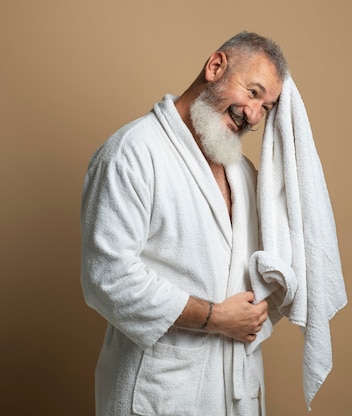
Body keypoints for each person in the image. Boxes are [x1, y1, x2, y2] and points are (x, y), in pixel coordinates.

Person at [81, 31, 289, 416]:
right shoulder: (132, 153)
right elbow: (107, 278)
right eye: (253, 92)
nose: (255, 115)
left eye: (268, 106)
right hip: (160, 389)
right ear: (215, 67)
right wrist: (215, 318)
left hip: (232, 389)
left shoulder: (242, 172)